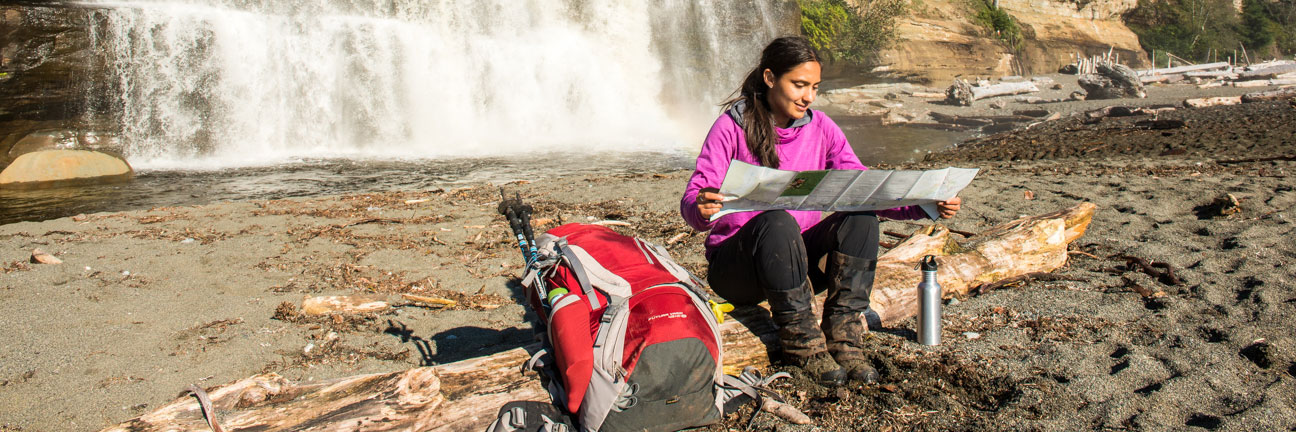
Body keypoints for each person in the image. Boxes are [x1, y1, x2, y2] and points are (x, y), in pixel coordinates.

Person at [679, 36, 962, 387]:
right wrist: (701, 206)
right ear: (770, 78)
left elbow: (864, 190)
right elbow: (693, 200)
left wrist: (923, 205)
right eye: (799, 85)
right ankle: (803, 346)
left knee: (860, 218)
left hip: (792, 267)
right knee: (777, 220)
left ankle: (843, 339)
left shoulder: (822, 128)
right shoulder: (730, 127)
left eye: (814, 87)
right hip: (738, 271)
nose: (808, 97)